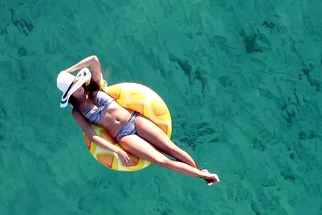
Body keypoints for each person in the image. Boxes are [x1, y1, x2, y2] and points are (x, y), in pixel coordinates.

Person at [56, 55, 220, 186]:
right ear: (69, 93)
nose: (79, 86)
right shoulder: (77, 112)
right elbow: (93, 136)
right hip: (123, 136)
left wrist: (69, 70)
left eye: (77, 82)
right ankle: (202, 175)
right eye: (74, 87)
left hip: (135, 119)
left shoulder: (94, 86)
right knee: (160, 160)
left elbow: (94, 59)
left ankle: (202, 173)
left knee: (171, 148)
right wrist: (117, 150)